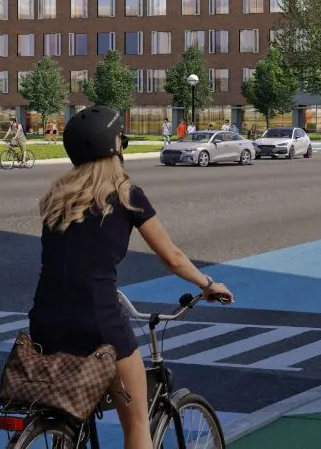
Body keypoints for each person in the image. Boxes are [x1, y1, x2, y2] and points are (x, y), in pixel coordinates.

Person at [28, 105, 234, 449]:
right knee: (137, 421)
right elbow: (172, 257)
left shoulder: (56, 199)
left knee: (71, 411)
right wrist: (209, 285)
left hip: (45, 320)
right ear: (114, 147)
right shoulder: (126, 195)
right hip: (98, 320)